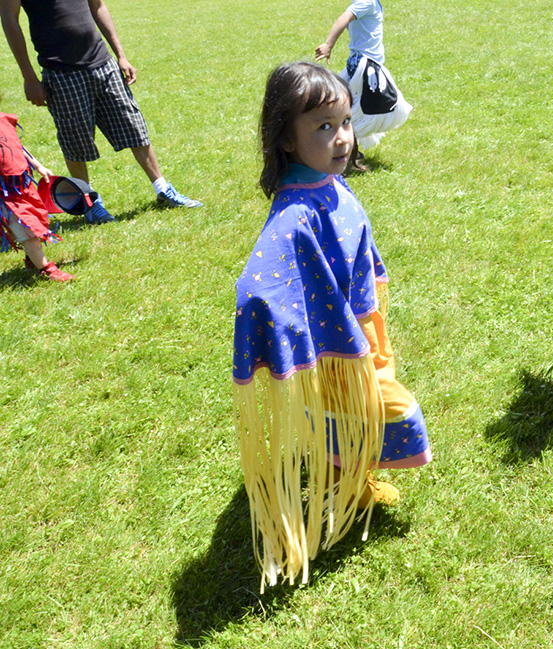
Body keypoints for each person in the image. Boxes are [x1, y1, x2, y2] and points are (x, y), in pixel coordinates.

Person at [233, 62, 431, 590]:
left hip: (361, 328)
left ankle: (351, 478)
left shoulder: (326, 181)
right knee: (380, 409)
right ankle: (338, 490)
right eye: (323, 127)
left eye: (344, 121)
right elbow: (258, 282)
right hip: (337, 345)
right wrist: (264, 314)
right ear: (287, 139)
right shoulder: (295, 211)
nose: (342, 137)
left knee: (346, 414)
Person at [0, 0, 202, 225]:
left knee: (134, 126)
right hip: (61, 72)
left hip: (103, 64)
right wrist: (29, 76)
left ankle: (163, 189)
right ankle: (89, 203)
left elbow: (98, 7)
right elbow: (9, 19)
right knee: (75, 139)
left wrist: (121, 55)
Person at [314, 0, 411, 158]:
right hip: (366, 67)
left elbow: (350, 22)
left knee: (348, 108)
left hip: (360, 63)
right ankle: (339, 149)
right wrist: (328, 45)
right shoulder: (367, 1)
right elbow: (344, 18)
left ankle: (346, 150)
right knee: (383, 109)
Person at [0, 110, 73, 281]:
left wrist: (38, 166)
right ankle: (47, 269)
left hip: (21, 183)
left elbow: (17, 145)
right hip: (6, 193)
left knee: (37, 218)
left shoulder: (2, 119)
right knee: (27, 227)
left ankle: (31, 260)